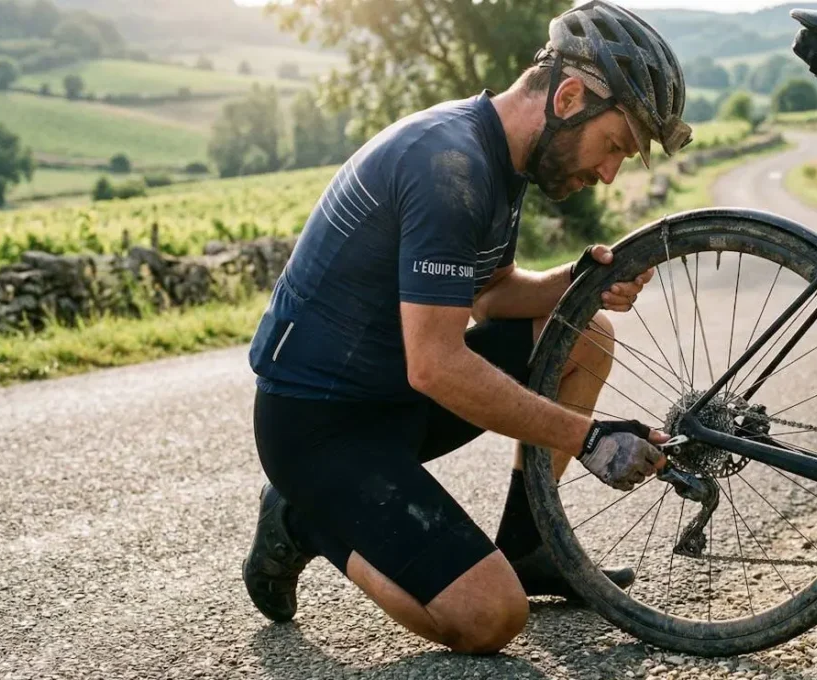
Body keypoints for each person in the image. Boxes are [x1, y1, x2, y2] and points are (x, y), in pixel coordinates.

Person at [240, 0, 693, 655]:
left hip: (395, 401)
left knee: (583, 333)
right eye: (615, 145)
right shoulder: (448, 164)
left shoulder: (497, 159)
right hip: (319, 429)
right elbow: (437, 363)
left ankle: (530, 545)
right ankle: (301, 518)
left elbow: (488, 296)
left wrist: (575, 280)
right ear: (568, 99)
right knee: (489, 618)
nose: (608, 172)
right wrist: (589, 437)